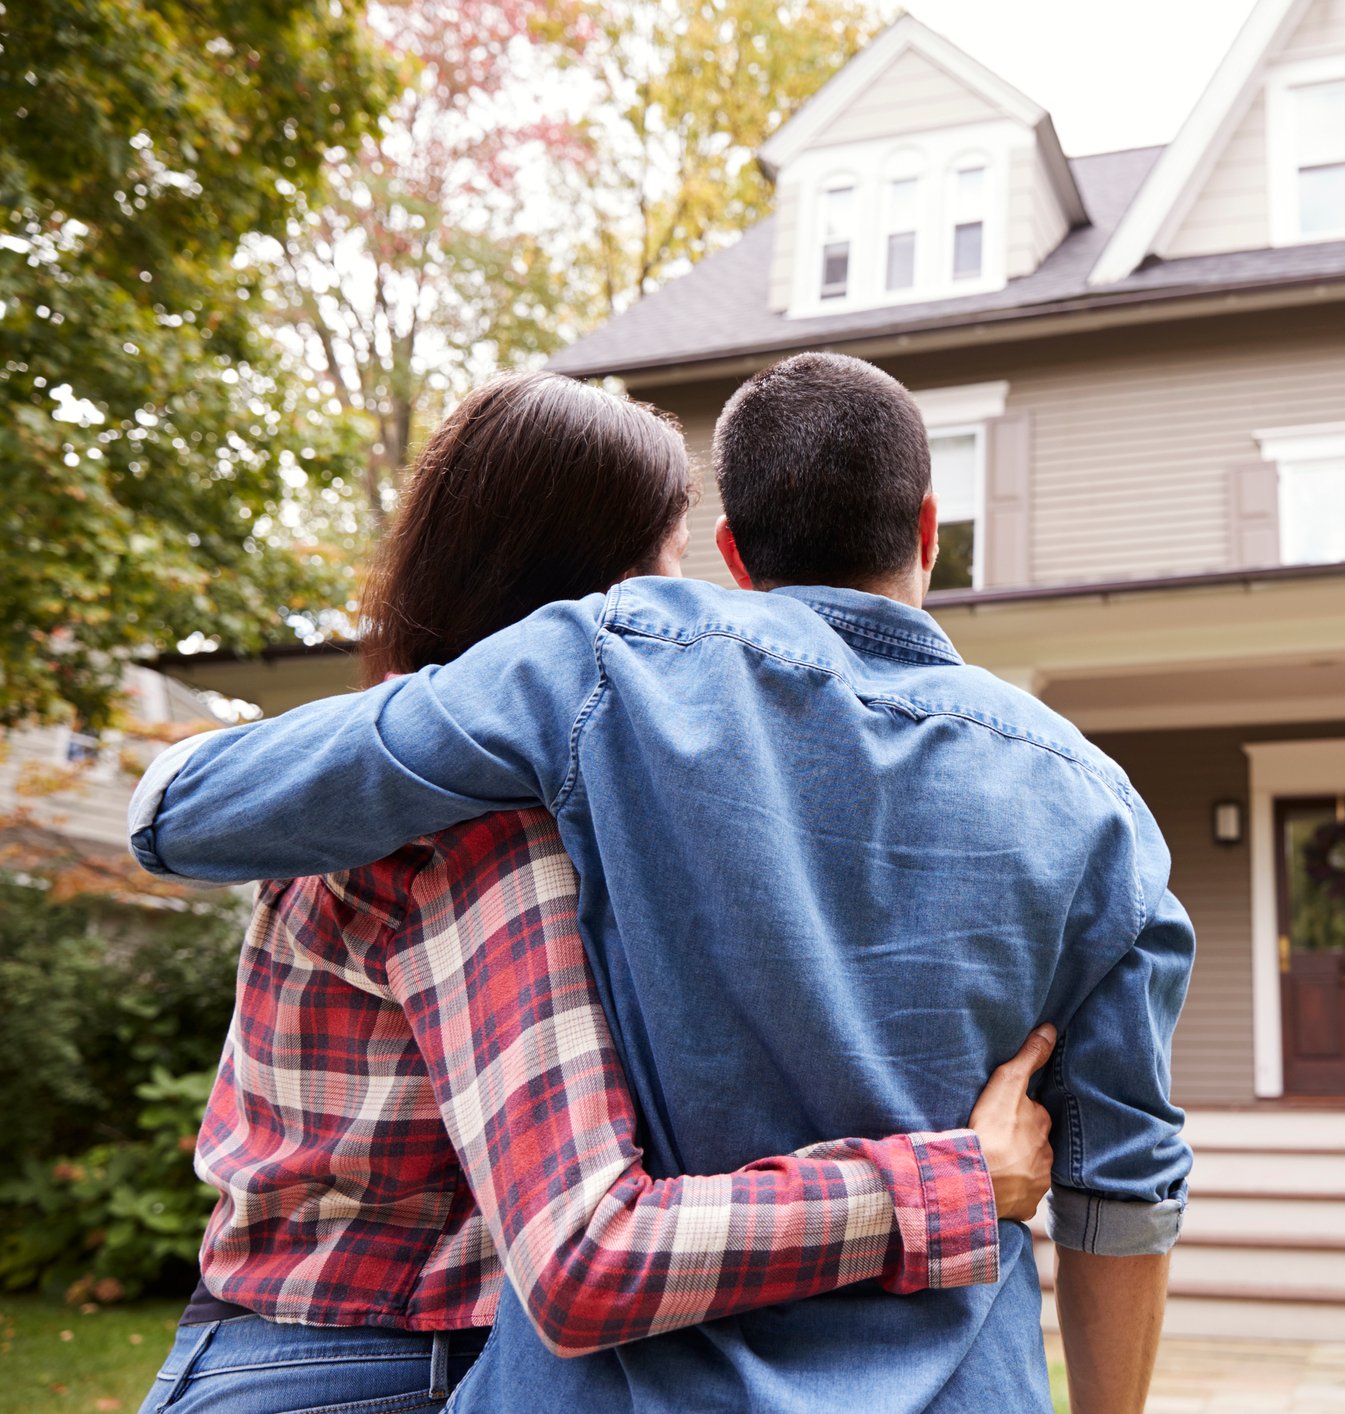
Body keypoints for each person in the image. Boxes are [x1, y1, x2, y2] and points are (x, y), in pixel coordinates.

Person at [131, 353, 1195, 1414]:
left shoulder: (600, 679)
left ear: (733, 554)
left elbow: (179, 814)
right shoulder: (1104, 811)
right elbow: (1126, 1190)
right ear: (927, 531)